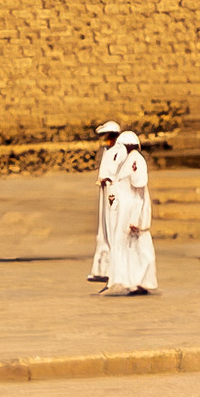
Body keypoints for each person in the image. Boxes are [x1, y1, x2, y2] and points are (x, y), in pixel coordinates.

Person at [107, 129, 156, 297]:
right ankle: (134, 281)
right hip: (127, 211)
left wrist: (135, 218)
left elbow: (138, 190)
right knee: (132, 247)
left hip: (133, 211)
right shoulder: (127, 161)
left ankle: (141, 281)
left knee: (141, 247)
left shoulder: (136, 161)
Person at [88, 121, 124, 286]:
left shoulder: (120, 152)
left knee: (112, 228)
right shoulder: (107, 151)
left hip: (113, 191)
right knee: (103, 230)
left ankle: (113, 269)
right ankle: (101, 269)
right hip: (105, 191)